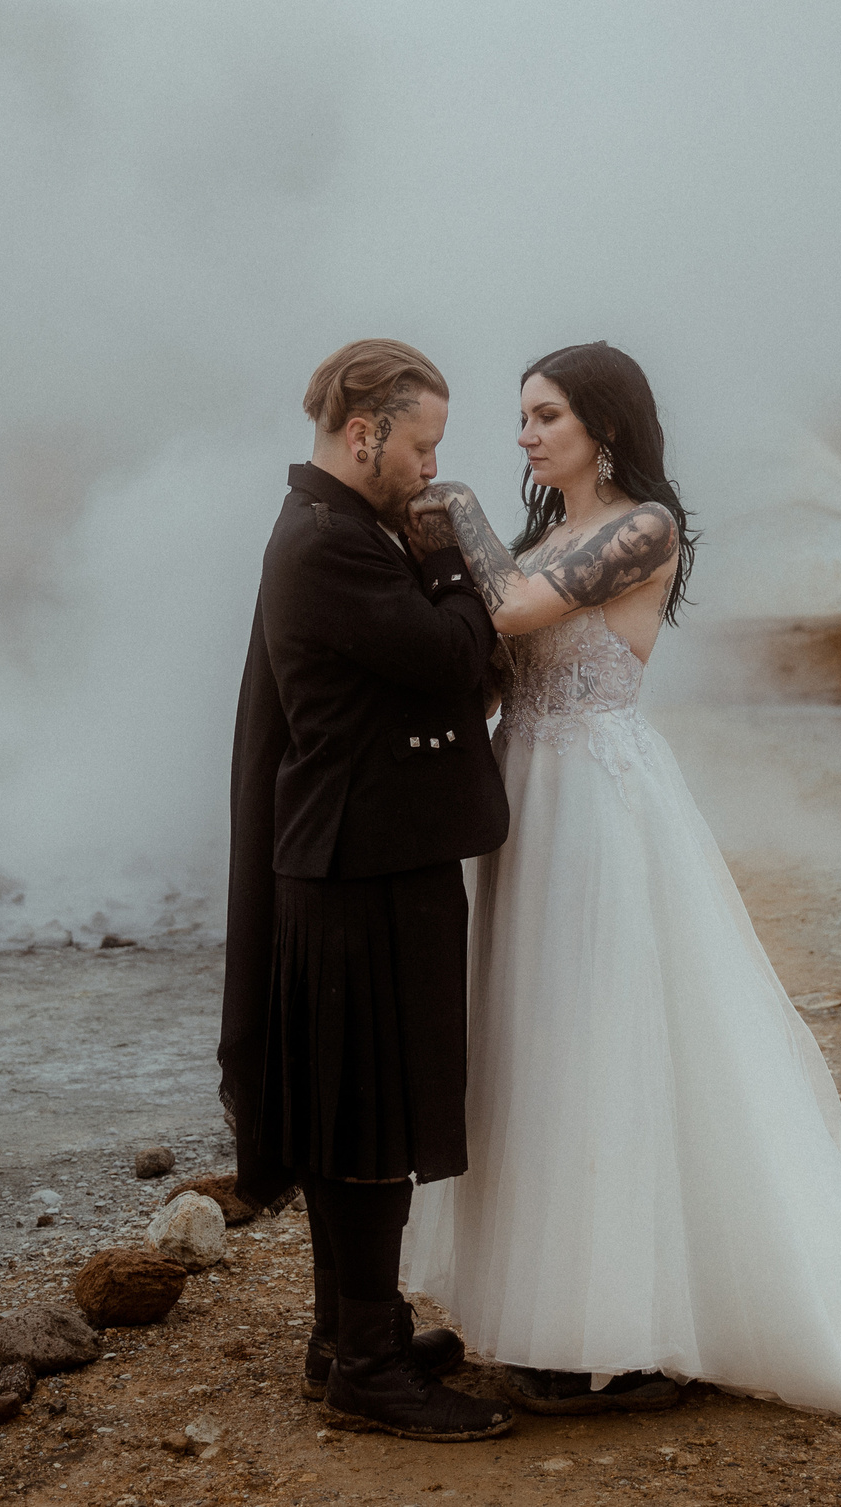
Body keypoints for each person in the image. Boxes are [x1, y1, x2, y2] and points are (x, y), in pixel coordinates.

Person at [399, 341, 841, 1421]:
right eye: (523, 418)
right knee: (532, 1039)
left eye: (544, 417)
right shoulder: (546, 535)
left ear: (605, 427)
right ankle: (554, 1313)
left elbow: (518, 613)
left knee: (603, 1040)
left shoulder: (643, 528)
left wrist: (458, 510)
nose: (526, 435)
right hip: (526, 791)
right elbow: (494, 657)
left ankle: (626, 1333)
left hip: (596, 799)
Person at [219, 338, 519, 1442]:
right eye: (422, 446)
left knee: (357, 1114)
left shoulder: (333, 531)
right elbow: (450, 656)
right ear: (364, 435)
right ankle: (367, 1369)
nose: (430, 470)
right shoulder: (332, 543)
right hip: (359, 871)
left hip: (357, 861)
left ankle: (350, 1335)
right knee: (369, 1127)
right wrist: (447, 556)